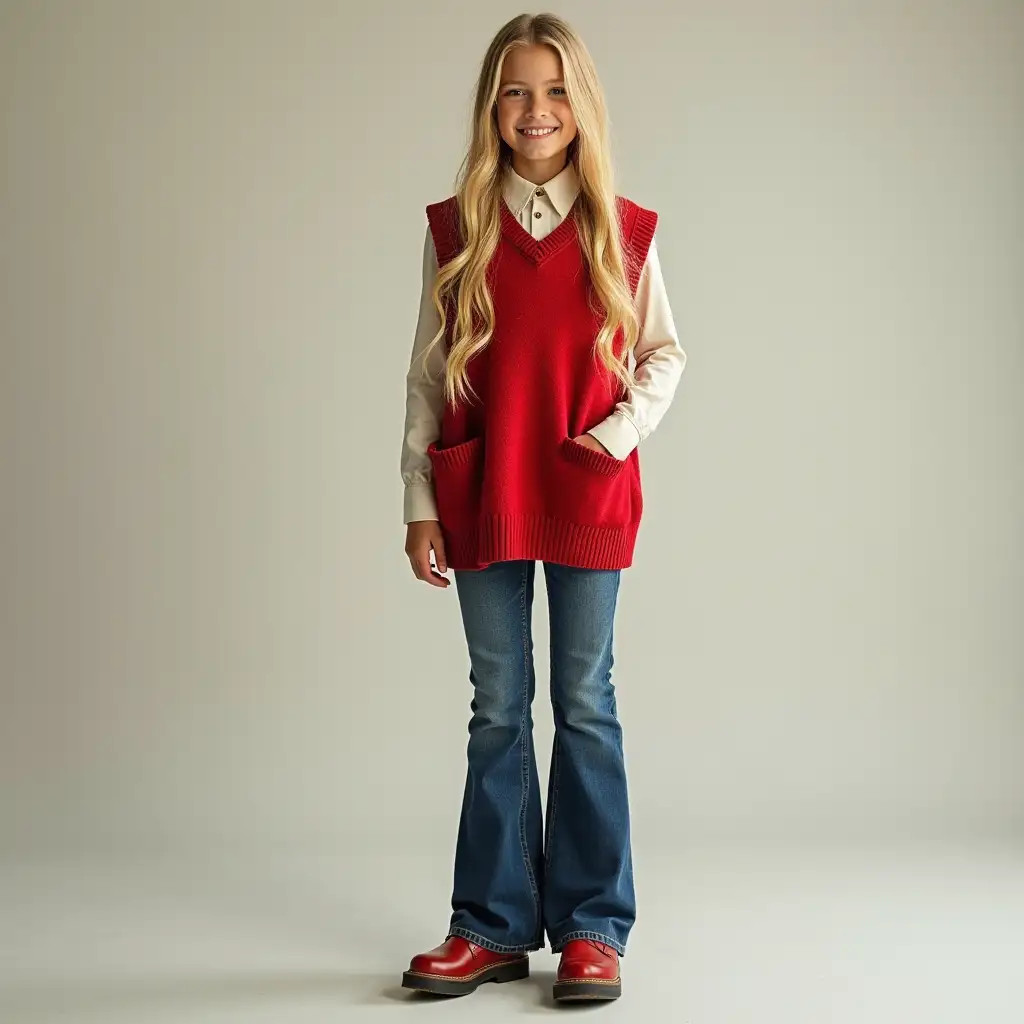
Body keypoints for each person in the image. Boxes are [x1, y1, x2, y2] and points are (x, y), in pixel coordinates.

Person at [398, 11, 685, 1003]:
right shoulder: (455, 229)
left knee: (586, 704)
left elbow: (664, 355)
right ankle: (489, 924)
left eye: (555, 90)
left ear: (581, 105)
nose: (535, 110)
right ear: (492, 104)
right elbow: (427, 381)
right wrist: (418, 502)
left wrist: (613, 435)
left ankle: (594, 926)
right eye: (516, 90)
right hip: (481, 490)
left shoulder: (622, 227)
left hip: (585, 489)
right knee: (496, 710)